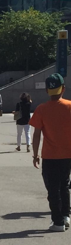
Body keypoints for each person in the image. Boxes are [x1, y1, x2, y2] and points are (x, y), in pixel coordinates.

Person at [30, 74, 71, 232]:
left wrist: (35, 154)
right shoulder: (69, 106)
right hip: (68, 154)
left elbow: (36, 134)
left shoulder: (41, 109)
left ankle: (58, 221)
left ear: (47, 90)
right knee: (64, 185)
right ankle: (66, 216)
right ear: (63, 89)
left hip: (50, 155)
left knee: (53, 189)